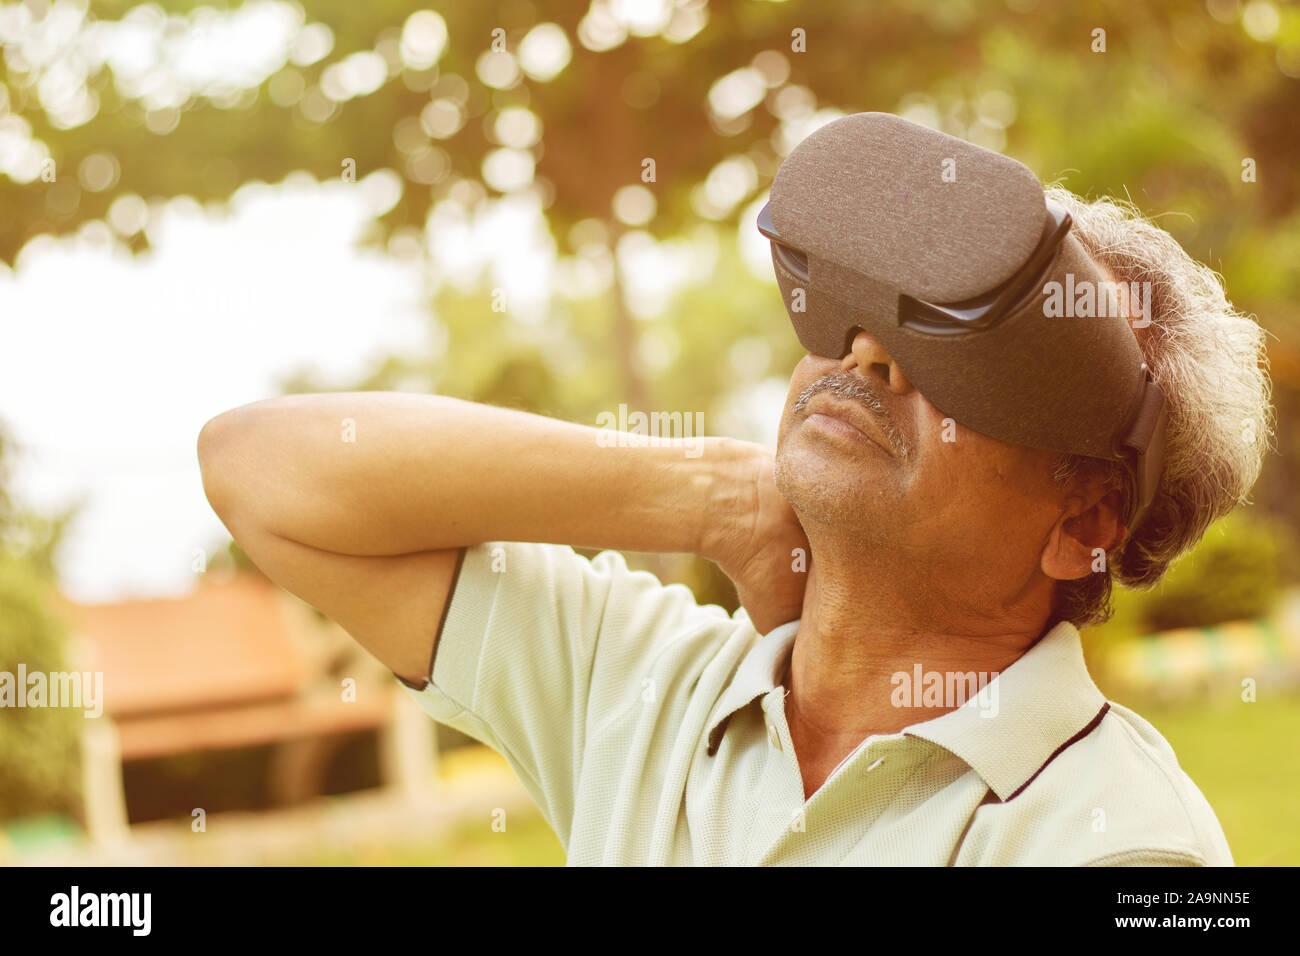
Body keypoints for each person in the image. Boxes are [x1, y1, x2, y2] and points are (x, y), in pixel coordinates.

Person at [197, 167, 1271, 869]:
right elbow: (262, 468)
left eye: (983, 359)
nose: (870, 352)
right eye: (893, 307)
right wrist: (707, 495)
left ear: (1084, 518)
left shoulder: (1126, 845)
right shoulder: (646, 682)